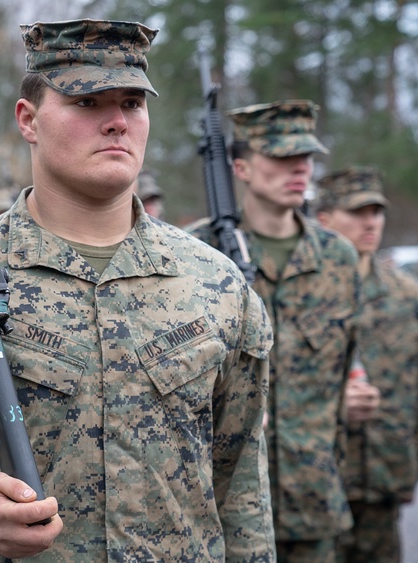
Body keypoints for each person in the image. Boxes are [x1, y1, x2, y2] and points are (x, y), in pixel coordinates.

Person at [0, 18, 275, 561]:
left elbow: (241, 483)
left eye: (132, 103)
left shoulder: (218, 285)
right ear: (28, 120)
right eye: (88, 103)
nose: (117, 123)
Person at [188, 100, 367, 562]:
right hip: (219, 501)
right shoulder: (193, 254)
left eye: (306, 158)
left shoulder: (338, 258)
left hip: (313, 496)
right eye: (283, 159)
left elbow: (345, 366)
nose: (300, 170)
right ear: (242, 167)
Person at [314, 167, 416, 563]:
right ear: (325, 220)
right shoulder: (305, 292)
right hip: (317, 480)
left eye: (376, 211)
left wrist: (408, 463)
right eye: (357, 212)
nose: (370, 222)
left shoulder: (405, 295)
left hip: (383, 478)